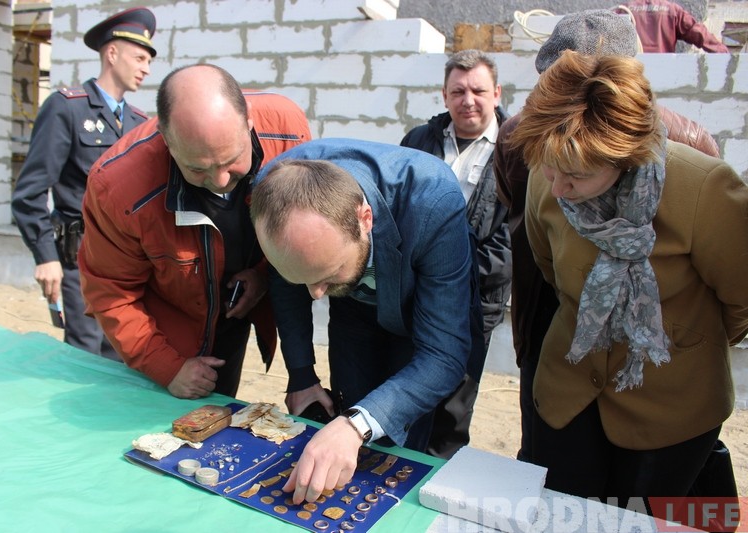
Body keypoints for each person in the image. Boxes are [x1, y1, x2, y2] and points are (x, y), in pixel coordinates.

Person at [508, 49, 748, 509]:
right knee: (566, 515)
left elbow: (740, 301)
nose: (558, 189)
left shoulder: (705, 189)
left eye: (576, 176)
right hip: (570, 394)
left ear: (624, 158)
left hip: (671, 403)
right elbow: (549, 268)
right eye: (551, 171)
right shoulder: (549, 173)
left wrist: (677, 338)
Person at [250, 138, 484, 504]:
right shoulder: (275, 190)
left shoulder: (432, 200)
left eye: (328, 272)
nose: (315, 294)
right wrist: (301, 375)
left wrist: (355, 426)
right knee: (354, 415)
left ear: (365, 219)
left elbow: (442, 355)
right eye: (306, 279)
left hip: (425, 311)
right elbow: (285, 280)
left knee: (412, 433)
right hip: (354, 312)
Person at [78, 65, 311, 399]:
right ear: (167, 141)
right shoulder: (117, 188)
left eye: (232, 160)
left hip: (234, 316)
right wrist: (166, 367)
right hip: (162, 331)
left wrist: (263, 276)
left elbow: (294, 228)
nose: (219, 180)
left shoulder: (287, 132)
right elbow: (111, 291)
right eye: (197, 168)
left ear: (249, 126)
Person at [11, 7, 157, 361]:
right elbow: (29, 193)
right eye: (139, 57)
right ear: (111, 53)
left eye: (149, 60)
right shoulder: (67, 109)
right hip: (81, 259)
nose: (146, 68)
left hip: (128, 264)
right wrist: (46, 257)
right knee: (85, 356)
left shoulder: (140, 122)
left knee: (125, 353)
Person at [400, 49, 511, 458]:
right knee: (410, 390)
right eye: (458, 91)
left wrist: (448, 274)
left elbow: (514, 237)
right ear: (444, 96)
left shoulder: (516, 150)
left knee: (453, 406)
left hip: (474, 303)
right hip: (414, 296)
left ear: (496, 93)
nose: (469, 100)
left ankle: (438, 480)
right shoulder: (419, 140)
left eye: (478, 90)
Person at [615, 0, 729, 53]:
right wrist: (724, 53)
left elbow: (605, 39)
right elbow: (698, 33)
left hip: (632, 77)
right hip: (665, 71)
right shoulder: (672, 10)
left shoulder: (624, 10)